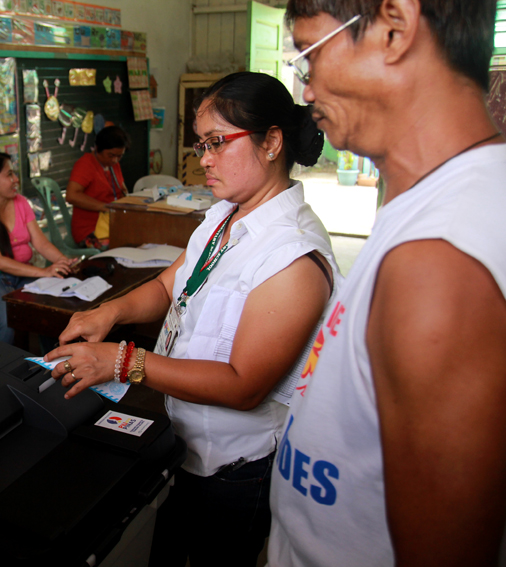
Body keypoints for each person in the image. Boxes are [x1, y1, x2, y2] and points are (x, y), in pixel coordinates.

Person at [44, 72, 339, 567]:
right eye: (201, 144)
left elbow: (243, 385)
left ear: (271, 142)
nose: (203, 159)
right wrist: (109, 312)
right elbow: (169, 285)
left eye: (218, 143)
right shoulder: (224, 215)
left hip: (237, 465)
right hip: (183, 440)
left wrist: (123, 362)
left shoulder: (291, 257)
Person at [268, 1, 506, 566]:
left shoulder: (437, 266)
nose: (306, 91)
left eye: (310, 55)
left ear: (395, 28)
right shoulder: (443, 208)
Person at [0, 152, 74, 344]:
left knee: (51, 306)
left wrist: (61, 261)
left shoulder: (20, 202)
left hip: (19, 272)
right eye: (9, 175)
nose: (16, 180)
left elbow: (41, 243)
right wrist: (44, 272)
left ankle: (51, 362)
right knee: (7, 318)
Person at [66, 126, 131, 248]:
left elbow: (122, 191)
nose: (115, 160)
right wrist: (105, 207)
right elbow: (71, 195)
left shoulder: (113, 165)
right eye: (111, 155)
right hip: (90, 230)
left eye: (119, 156)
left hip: (111, 224)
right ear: (98, 148)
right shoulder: (85, 164)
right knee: (124, 245)